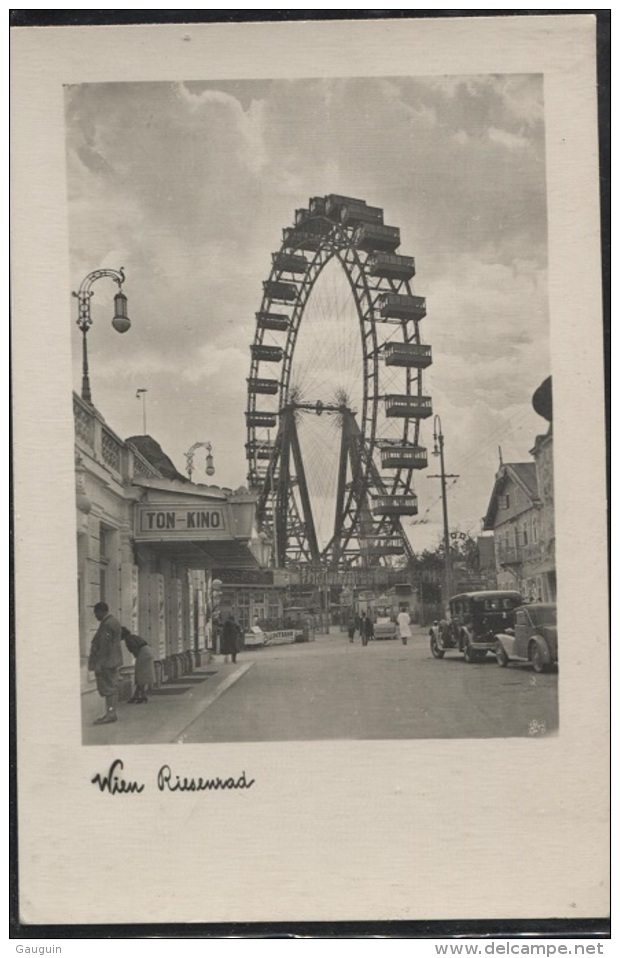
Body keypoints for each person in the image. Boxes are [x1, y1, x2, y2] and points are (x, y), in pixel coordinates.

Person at [88, 601, 123, 725]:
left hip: (107, 662)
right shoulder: (113, 621)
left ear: (101, 611)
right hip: (112, 661)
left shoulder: (107, 624)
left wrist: (99, 664)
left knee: (109, 689)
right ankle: (111, 713)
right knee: (112, 687)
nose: (95, 616)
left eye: (96, 613)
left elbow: (104, 646)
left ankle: (110, 714)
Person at [121, 627, 155, 704]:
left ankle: (142, 695)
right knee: (142, 675)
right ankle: (138, 695)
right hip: (148, 651)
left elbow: (135, 649)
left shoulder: (128, 639)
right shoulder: (133, 636)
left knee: (139, 675)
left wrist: (137, 657)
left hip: (142, 653)